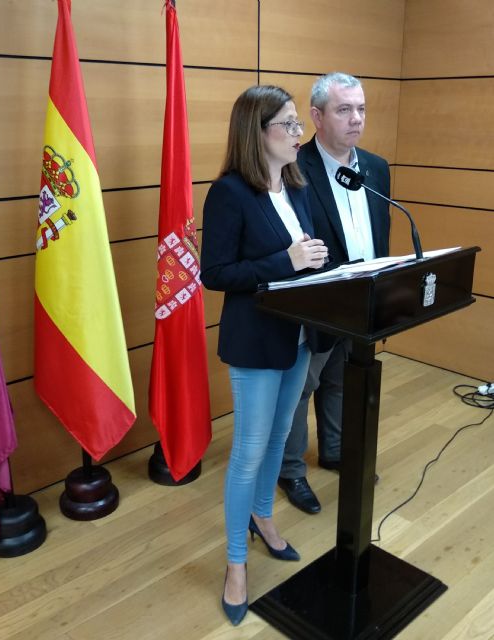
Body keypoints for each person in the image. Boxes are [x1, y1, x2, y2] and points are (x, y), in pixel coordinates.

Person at [201, 85, 328, 626]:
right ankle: (235, 563)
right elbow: (215, 273)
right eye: (289, 124)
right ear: (257, 132)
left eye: (299, 124)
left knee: (279, 439)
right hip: (256, 340)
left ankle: (263, 517)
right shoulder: (229, 192)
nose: (299, 134)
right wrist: (287, 260)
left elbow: (305, 258)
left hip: (297, 336)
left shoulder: (296, 186)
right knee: (249, 452)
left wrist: (318, 262)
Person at [277, 72, 391, 514]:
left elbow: (380, 231)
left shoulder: (376, 167)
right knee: (301, 389)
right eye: (344, 110)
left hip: (363, 299)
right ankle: (290, 470)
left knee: (344, 379)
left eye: (361, 109)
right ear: (317, 116)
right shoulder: (293, 169)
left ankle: (336, 450)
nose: (356, 118)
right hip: (317, 301)